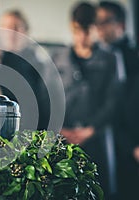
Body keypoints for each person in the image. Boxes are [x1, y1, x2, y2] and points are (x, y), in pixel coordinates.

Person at [52, 3, 120, 199]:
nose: (82, 36)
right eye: (77, 30)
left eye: (87, 30)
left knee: (101, 190)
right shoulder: (57, 59)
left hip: (97, 136)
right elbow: (47, 97)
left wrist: (90, 130)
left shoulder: (110, 59)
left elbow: (113, 100)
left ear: (96, 28)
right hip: (64, 136)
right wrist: (61, 128)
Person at [96, 2, 139, 199]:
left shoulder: (133, 59)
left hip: (131, 145)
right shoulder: (97, 59)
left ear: (121, 24)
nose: (99, 28)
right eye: (97, 22)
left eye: (105, 22)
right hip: (105, 141)